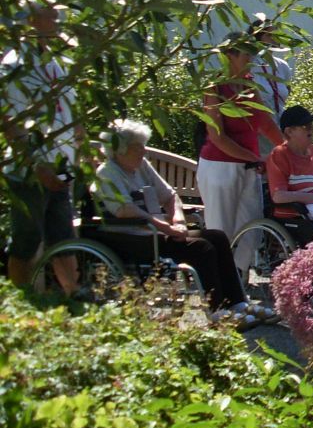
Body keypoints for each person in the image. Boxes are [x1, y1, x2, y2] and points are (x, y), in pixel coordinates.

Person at [91, 119, 274, 325]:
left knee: (217, 236)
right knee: (200, 247)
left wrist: (178, 219)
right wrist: (164, 227)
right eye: (138, 146)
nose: (144, 151)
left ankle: (238, 303)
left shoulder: (141, 166)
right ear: (120, 149)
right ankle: (217, 310)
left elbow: (169, 196)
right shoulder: (107, 173)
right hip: (132, 236)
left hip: (157, 231)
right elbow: (124, 209)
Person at [2, 0, 82, 291]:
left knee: (63, 238)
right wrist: (36, 165)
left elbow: (71, 110)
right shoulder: (15, 65)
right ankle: (21, 301)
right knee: (27, 240)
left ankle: (75, 299)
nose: (58, 22)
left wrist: (81, 145)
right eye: (52, 17)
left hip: (62, 166)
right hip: (29, 171)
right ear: (32, 21)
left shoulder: (55, 62)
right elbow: (10, 120)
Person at [197, 32, 283, 272]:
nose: (252, 58)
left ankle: (237, 283)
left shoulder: (248, 83)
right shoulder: (214, 87)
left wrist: (288, 149)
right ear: (229, 55)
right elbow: (217, 136)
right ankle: (216, 290)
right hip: (220, 168)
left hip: (248, 166)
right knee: (220, 232)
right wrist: (254, 158)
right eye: (247, 53)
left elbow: (264, 123)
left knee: (251, 231)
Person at [266, 105, 313, 238]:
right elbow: (278, 196)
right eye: (305, 126)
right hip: (306, 208)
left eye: (311, 124)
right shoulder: (279, 155)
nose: (311, 129)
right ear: (289, 132)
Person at [249, 19, 293, 154]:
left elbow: (285, 95)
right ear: (258, 37)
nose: (275, 39)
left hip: (281, 130)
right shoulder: (249, 64)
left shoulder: (283, 66)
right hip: (258, 132)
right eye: (270, 35)